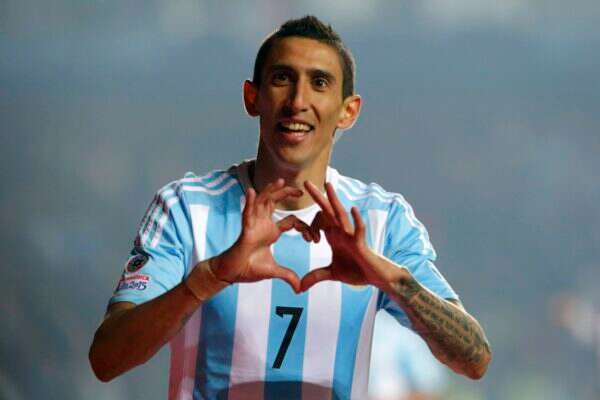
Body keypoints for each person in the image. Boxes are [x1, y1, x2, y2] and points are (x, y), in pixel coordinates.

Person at [89, 15, 491, 400]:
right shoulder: (185, 207)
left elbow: (475, 359)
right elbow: (106, 359)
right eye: (283, 78)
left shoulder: (383, 220)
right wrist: (210, 278)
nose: (298, 101)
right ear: (253, 98)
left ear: (348, 111)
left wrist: (386, 277)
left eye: (319, 82)